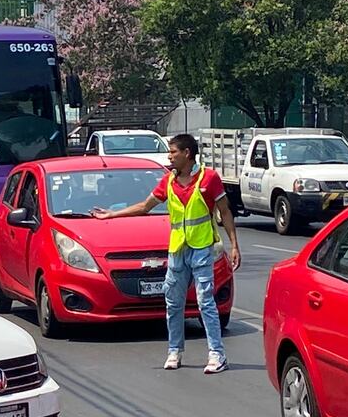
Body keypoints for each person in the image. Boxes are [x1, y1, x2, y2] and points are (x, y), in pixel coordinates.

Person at [91, 133, 241, 374]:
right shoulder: (168, 182)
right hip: (177, 250)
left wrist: (234, 245)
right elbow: (144, 206)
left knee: (205, 302)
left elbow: (225, 212)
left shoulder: (209, 178)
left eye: (173, 152)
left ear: (187, 154)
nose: (169, 156)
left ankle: (217, 354)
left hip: (202, 249)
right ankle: (175, 350)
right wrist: (111, 215)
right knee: (173, 302)